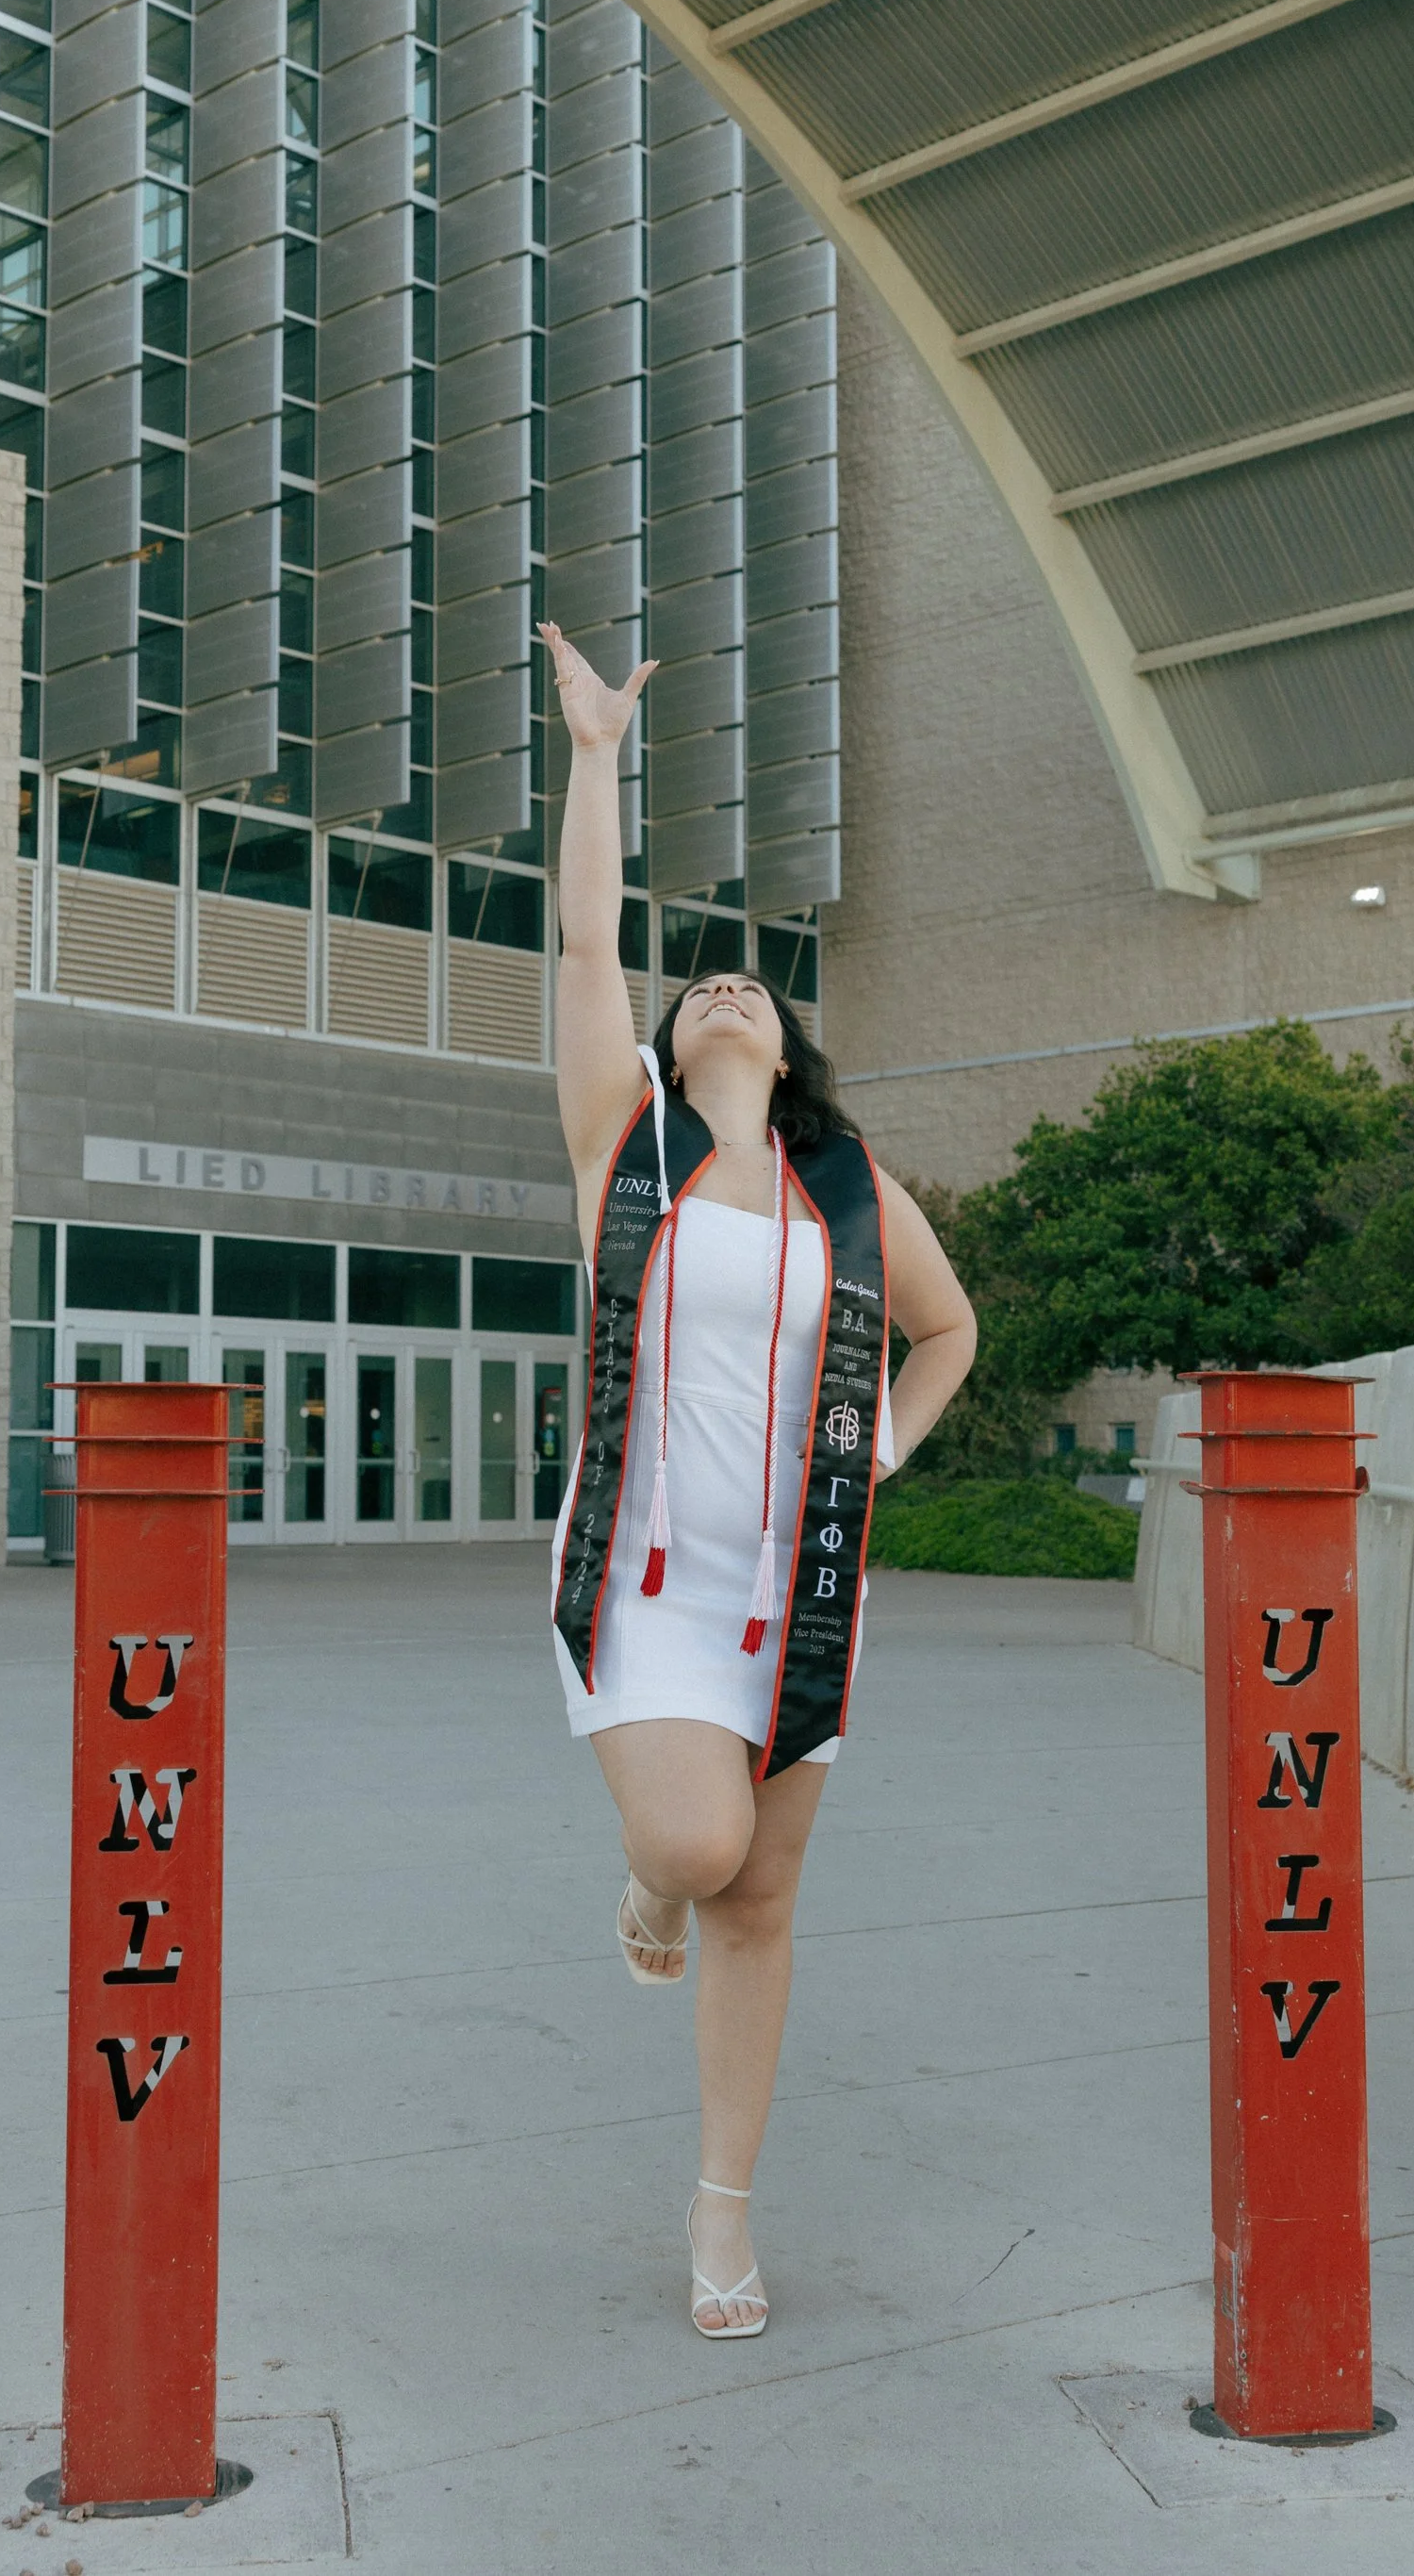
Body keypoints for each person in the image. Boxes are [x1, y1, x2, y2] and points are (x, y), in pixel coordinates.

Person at [537, 619, 978, 2337]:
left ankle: (723, 2216)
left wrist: (887, 1451)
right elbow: (586, 940)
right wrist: (594, 760)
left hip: (793, 1594)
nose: (725, 987)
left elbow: (947, 1339)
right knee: (700, 1840)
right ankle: (651, 1869)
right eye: (699, 986)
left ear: (787, 1049)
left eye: (754, 989)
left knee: (766, 1900)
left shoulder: (849, 1192)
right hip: (646, 1582)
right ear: (671, 1039)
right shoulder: (620, 1146)